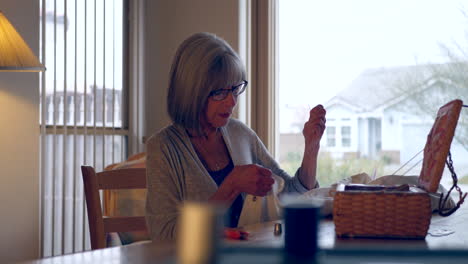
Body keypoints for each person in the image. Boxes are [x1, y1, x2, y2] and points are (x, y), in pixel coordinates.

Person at [145, 32, 326, 241]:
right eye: (220, 92)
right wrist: (231, 186)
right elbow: (164, 235)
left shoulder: (240, 133)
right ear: (192, 92)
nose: (231, 102)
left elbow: (290, 196)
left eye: (235, 89)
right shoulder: (163, 148)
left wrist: (311, 150)